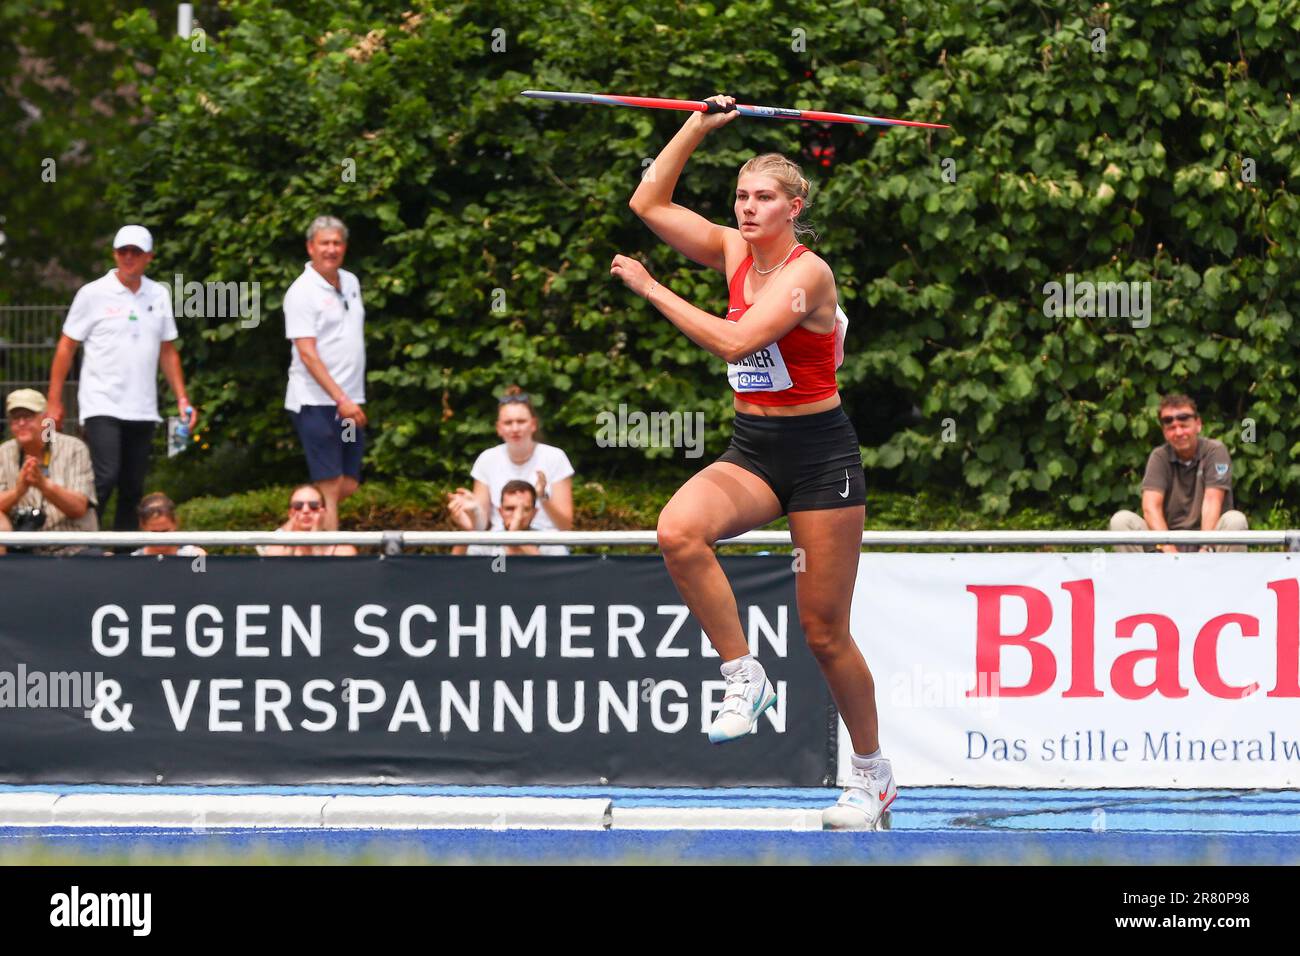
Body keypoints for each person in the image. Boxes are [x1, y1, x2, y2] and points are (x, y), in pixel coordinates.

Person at [612, 95, 887, 831]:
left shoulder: (808, 275)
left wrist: (650, 286)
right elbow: (649, 199)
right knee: (678, 531)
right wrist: (698, 126)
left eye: (763, 196)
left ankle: (872, 777)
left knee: (825, 632)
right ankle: (744, 677)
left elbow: (737, 345)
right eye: (739, 196)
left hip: (821, 455)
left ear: (794, 206)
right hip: (755, 450)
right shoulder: (734, 252)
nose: (747, 208)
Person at [47, 225, 198, 531]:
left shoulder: (159, 294)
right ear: (114, 254)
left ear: (149, 257)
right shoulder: (92, 293)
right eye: (123, 251)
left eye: (136, 252)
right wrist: (54, 400)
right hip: (101, 403)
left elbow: (167, 351)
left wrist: (182, 398)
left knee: (132, 485)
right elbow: (66, 346)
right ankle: (86, 544)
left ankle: (122, 555)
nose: (128, 257)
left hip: (142, 407)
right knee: (105, 476)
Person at [283, 215, 368, 532]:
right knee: (331, 484)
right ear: (310, 247)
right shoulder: (301, 292)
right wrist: (340, 398)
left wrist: (348, 399)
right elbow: (307, 353)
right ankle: (333, 560)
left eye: (336, 243)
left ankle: (288, 532)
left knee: (348, 481)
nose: (331, 249)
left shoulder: (351, 282)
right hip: (316, 402)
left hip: (351, 399)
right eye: (324, 243)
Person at [1110, 393, 1248, 553]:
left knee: (1235, 520)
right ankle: (1140, 578)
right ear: (1164, 432)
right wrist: (1169, 550)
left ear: (1198, 424)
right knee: (1121, 521)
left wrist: (1205, 547)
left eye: (1184, 425)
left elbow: (1212, 501)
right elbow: (1150, 507)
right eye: (1171, 427)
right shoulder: (1159, 456)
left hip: (1210, 543)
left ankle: (1228, 577)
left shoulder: (1215, 450)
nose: (1178, 432)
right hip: (1166, 544)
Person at [446, 387, 574, 553]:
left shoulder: (555, 457)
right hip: (500, 541)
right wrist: (473, 510)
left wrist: (542, 497)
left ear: (533, 424)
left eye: (521, 421)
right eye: (508, 422)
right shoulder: (487, 459)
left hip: (545, 543)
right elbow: (480, 525)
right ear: (498, 428)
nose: (515, 428)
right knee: (475, 549)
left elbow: (565, 526)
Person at [0, 389, 99, 554]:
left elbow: (78, 507)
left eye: (28, 416)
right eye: (16, 418)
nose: (21, 423)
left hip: (73, 547)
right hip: (25, 549)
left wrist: (44, 485)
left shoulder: (74, 448)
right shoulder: (3, 453)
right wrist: (18, 491)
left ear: (45, 420)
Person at [449, 479, 563, 556]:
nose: (517, 515)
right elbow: (496, 572)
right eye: (510, 508)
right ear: (500, 511)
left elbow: (550, 577)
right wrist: (467, 531)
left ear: (534, 513)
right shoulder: (487, 542)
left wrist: (516, 537)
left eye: (524, 509)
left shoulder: (551, 542)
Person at [257, 483, 357, 557]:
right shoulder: (275, 552)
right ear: (290, 513)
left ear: (324, 512)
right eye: (298, 506)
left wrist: (316, 542)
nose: (305, 510)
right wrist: (291, 545)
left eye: (313, 506)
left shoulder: (343, 551)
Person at [130, 492, 206, 557]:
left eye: (165, 531)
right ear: (143, 526)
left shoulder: (196, 556)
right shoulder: (133, 562)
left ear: (175, 523)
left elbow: (204, 573)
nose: (160, 538)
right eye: (154, 532)